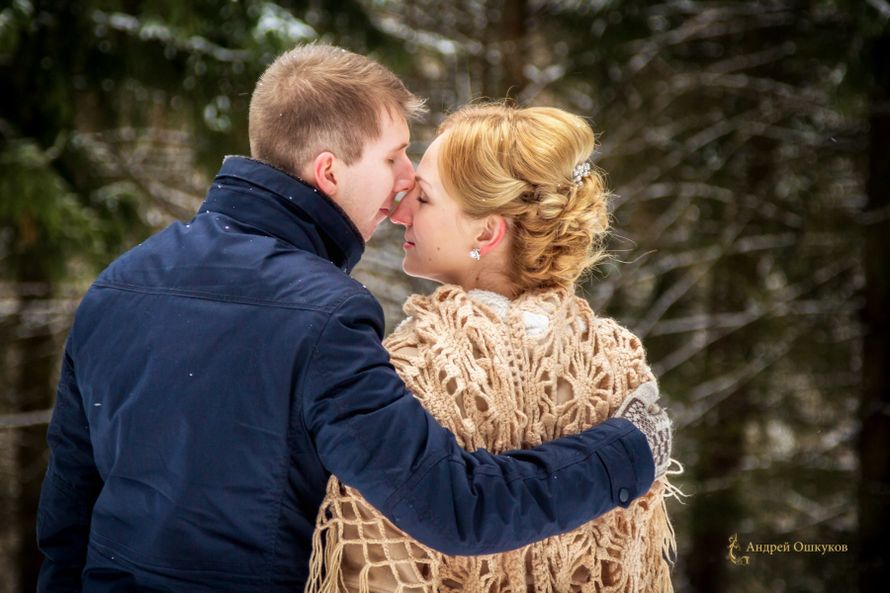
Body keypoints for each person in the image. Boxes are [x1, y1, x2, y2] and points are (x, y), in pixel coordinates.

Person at [35, 45, 670, 593]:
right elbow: (452, 504)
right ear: (330, 171)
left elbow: (67, 517)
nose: (403, 182)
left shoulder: (117, 284)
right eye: (396, 158)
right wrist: (631, 449)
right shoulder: (326, 316)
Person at [306, 103, 679, 593]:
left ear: (487, 231)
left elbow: (372, 569)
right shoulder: (618, 366)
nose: (399, 211)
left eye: (425, 198)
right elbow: (635, 568)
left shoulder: (407, 370)